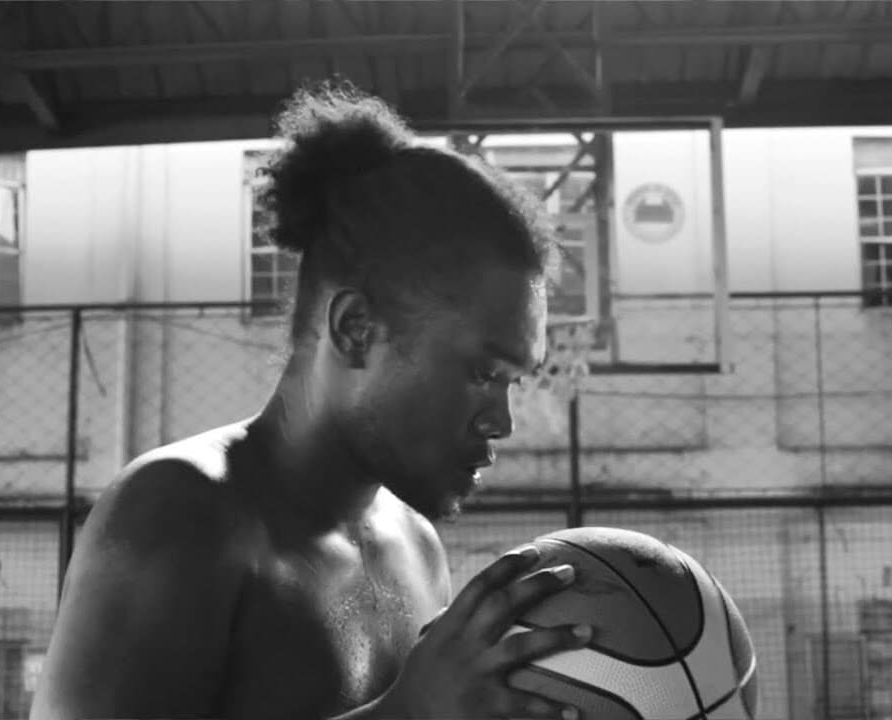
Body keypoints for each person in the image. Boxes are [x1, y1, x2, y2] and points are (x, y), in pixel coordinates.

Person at [30, 81, 591, 720]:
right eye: (483, 372)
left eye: (514, 381)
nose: (503, 420)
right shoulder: (178, 514)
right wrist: (404, 714)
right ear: (356, 330)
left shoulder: (417, 548)